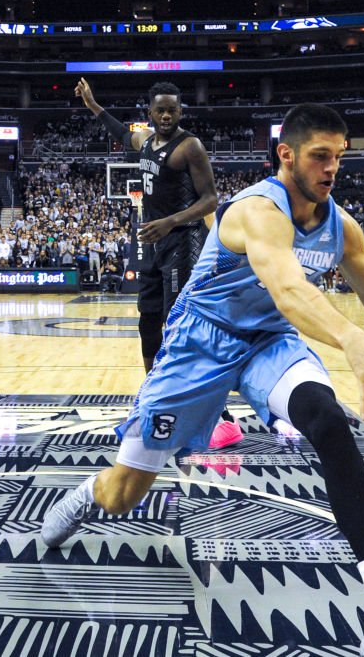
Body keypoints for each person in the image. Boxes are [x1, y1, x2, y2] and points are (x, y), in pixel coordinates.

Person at [41, 104, 364, 654]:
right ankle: (91, 493)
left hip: (269, 343)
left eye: (338, 159)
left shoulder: (341, 226)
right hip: (199, 342)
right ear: (287, 155)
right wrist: (352, 343)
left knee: (328, 420)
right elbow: (290, 290)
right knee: (124, 494)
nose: (330, 169)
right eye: (319, 156)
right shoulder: (257, 208)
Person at [75, 78, 240, 449]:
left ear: (181, 111)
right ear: (149, 112)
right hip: (152, 243)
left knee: (181, 328)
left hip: (182, 241)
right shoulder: (146, 140)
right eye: (160, 110)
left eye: (172, 110)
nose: (166, 115)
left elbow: (211, 199)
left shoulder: (190, 147)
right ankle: (154, 396)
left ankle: (217, 413)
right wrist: (92, 103)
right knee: (148, 321)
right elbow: (120, 132)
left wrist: (170, 221)